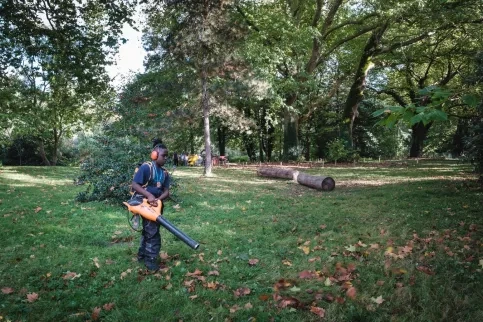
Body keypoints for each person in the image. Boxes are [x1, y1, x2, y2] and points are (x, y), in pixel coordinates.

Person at [131, 141, 171, 271]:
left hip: (156, 205)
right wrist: (149, 196)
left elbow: (166, 191)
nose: (165, 158)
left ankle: (142, 255)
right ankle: (151, 261)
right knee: (153, 233)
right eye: (163, 155)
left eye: (167, 156)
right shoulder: (146, 167)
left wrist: (158, 199)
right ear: (154, 155)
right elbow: (135, 185)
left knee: (149, 230)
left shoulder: (165, 173)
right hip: (143, 204)